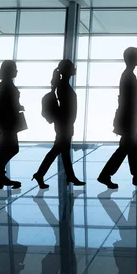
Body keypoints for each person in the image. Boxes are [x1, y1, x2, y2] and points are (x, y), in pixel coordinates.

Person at [98, 47, 137, 189]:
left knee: (131, 149)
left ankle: (136, 176)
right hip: (130, 119)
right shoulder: (128, 76)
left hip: (130, 118)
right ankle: (106, 174)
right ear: (131, 58)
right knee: (125, 149)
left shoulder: (128, 75)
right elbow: (126, 101)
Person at [32, 60, 85, 189]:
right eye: (72, 67)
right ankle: (41, 174)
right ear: (67, 70)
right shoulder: (63, 87)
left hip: (64, 123)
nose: (75, 69)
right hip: (64, 124)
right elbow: (66, 108)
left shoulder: (62, 85)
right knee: (57, 150)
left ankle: (68, 176)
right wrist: (68, 123)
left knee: (63, 151)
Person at [0, 60, 23, 190]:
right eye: (15, 68)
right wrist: (18, 107)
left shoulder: (3, 85)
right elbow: (8, 104)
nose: (17, 71)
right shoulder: (7, 86)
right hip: (8, 123)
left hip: (5, 123)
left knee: (4, 149)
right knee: (12, 148)